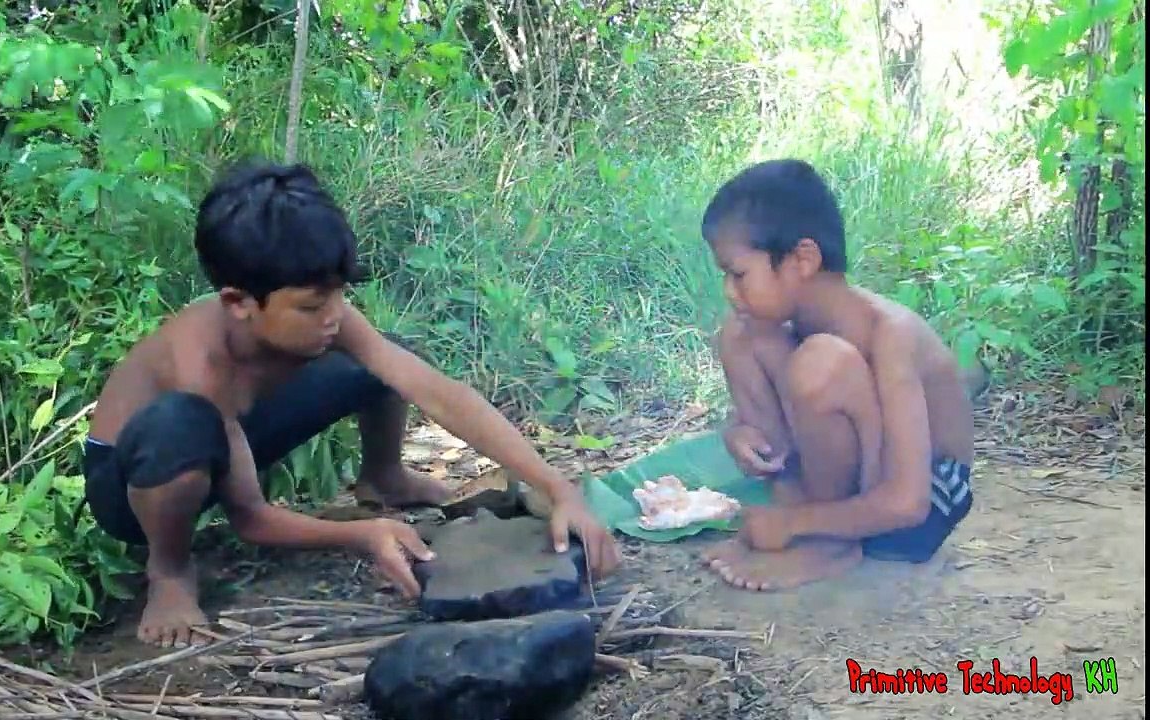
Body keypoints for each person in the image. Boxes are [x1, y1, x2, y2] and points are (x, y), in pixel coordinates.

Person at [83, 162, 620, 647]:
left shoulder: (326, 318)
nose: (334, 315)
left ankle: (384, 477)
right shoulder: (199, 363)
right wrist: (361, 535)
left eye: (339, 294)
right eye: (313, 305)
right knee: (180, 425)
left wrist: (556, 486)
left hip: (231, 435)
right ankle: (170, 570)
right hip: (137, 480)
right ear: (238, 302)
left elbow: (438, 392)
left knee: (389, 358)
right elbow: (248, 516)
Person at [699, 159, 974, 591]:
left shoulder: (889, 334)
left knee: (822, 363)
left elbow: (908, 503)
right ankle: (800, 525)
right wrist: (740, 433)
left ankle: (824, 542)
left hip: (924, 504)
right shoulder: (791, 323)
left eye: (738, 274)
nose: (729, 292)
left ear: (803, 259)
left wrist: (794, 524)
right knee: (740, 333)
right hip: (859, 492)